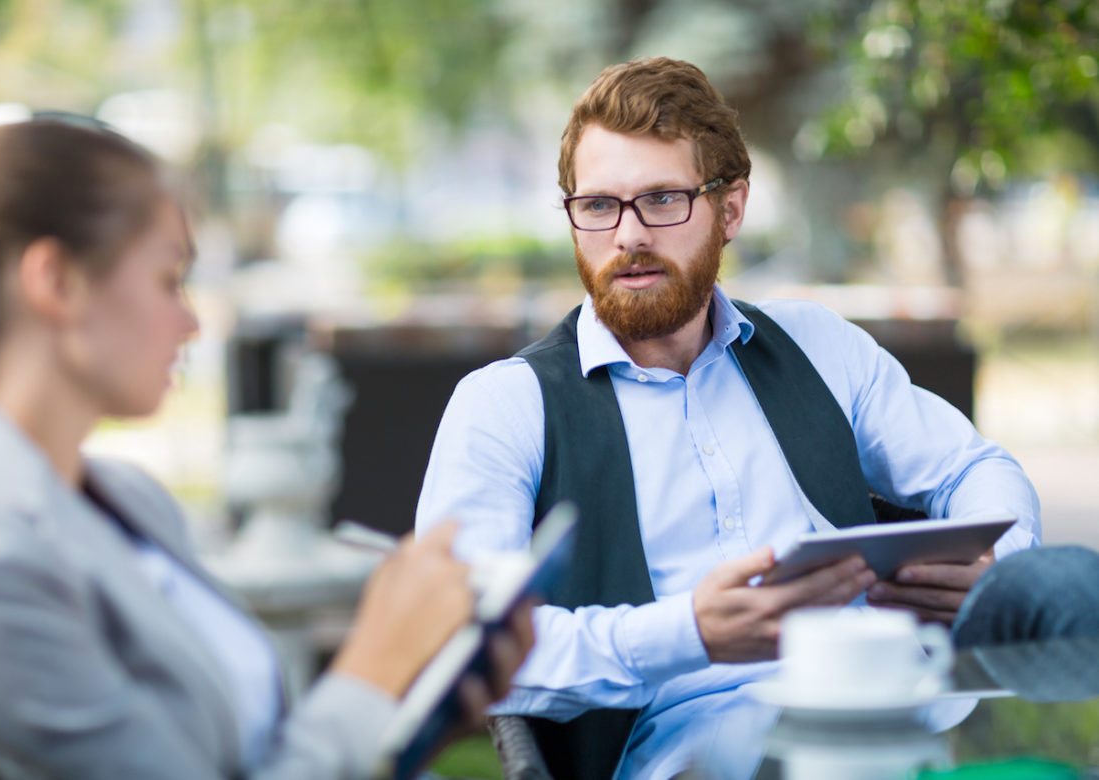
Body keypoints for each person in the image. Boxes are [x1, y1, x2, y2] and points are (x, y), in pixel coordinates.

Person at [414, 57, 1044, 779]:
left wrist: (1001, 570)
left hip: (905, 708)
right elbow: (461, 644)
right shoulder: (506, 404)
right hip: (698, 751)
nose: (628, 236)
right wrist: (689, 634)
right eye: (597, 206)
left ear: (731, 208)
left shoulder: (818, 344)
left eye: (662, 200)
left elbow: (975, 467)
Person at [0, 118, 533, 779]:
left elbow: (257, 754)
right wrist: (375, 667)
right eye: (167, 279)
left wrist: (427, 699)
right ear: (57, 282)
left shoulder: (125, 498)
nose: (189, 322)